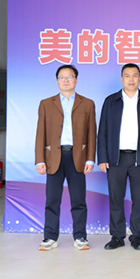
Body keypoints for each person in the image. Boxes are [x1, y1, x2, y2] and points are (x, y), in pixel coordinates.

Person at [97, 63, 140, 251]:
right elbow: (103, 131)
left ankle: (137, 236)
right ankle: (117, 236)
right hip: (116, 158)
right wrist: (102, 157)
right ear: (122, 78)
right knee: (116, 198)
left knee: (139, 199)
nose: (131, 79)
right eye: (127, 75)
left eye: (134, 75)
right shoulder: (111, 101)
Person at [34, 64, 96, 251]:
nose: (66, 80)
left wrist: (90, 159)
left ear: (76, 80)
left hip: (77, 157)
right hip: (53, 158)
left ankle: (80, 237)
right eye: (62, 77)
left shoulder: (87, 103)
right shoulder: (46, 103)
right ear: (57, 81)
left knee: (79, 200)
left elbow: (92, 133)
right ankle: (50, 237)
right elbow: (40, 133)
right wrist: (40, 159)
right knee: (52, 200)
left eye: (70, 77)